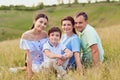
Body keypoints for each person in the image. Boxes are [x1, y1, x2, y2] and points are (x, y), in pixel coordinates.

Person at [20, 13, 48, 80]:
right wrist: (30, 74)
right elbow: (28, 57)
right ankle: (26, 68)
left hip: (45, 61)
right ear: (35, 21)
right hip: (34, 62)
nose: (42, 25)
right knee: (41, 73)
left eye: (45, 24)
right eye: (40, 22)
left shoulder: (45, 34)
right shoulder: (26, 36)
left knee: (51, 70)